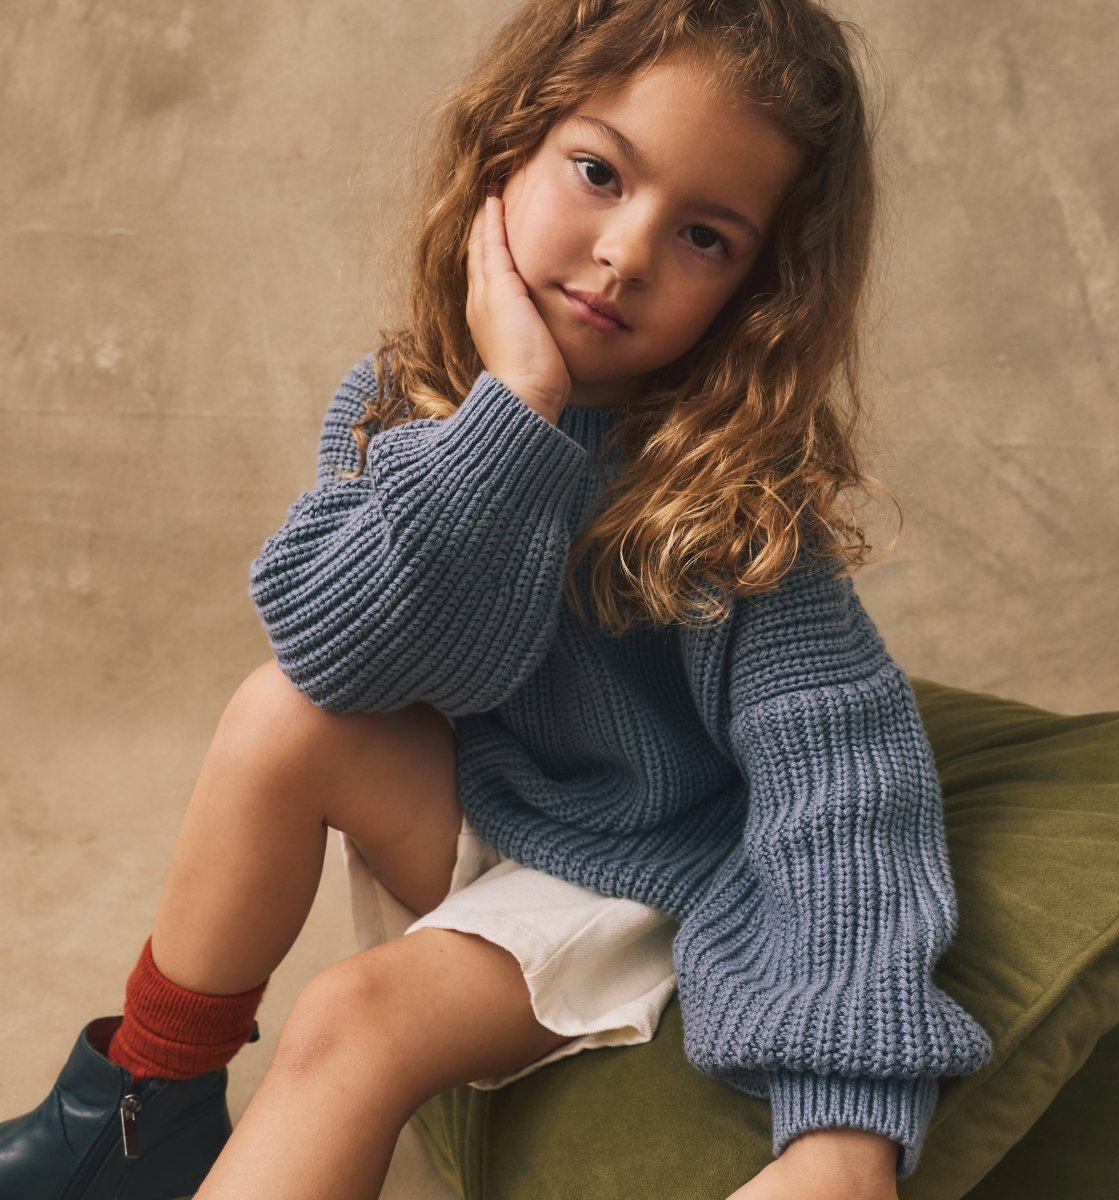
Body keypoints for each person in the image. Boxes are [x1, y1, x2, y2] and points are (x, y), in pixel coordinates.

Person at [0, 0, 994, 1196]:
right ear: (504, 152)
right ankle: (139, 1110)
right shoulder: (410, 398)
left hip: (652, 879)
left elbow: (847, 786)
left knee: (352, 1020)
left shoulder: (729, 498)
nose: (628, 249)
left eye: (706, 239)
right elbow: (338, 658)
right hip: (501, 804)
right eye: (598, 172)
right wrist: (511, 418)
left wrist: (848, 1131)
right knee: (278, 713)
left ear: (755, 291)